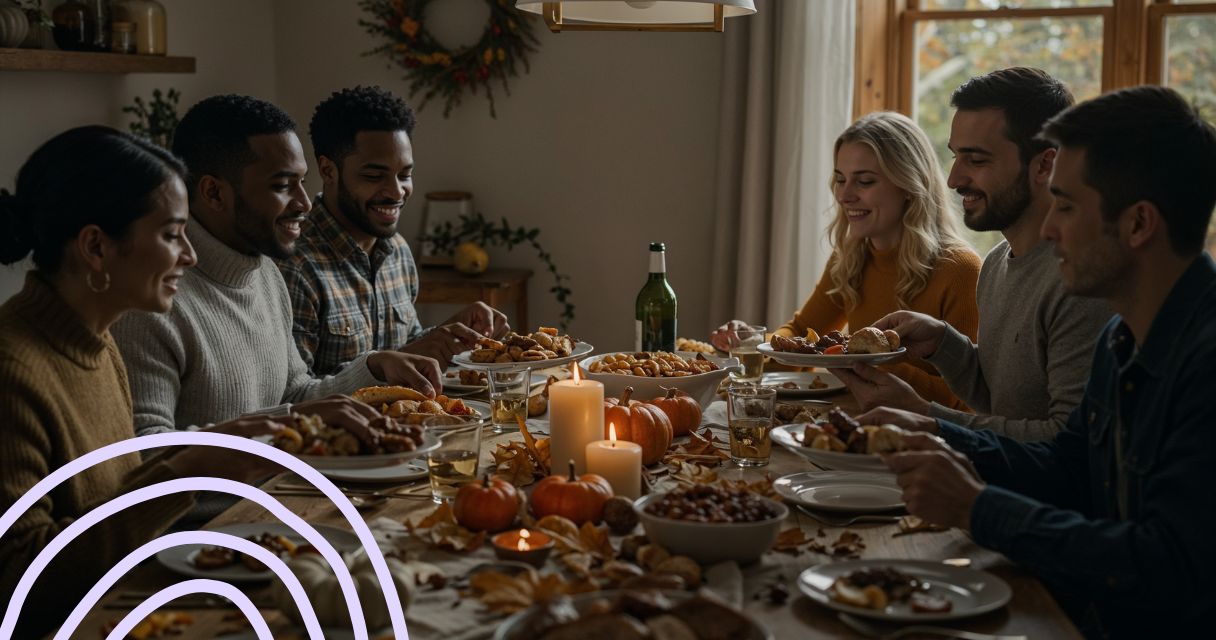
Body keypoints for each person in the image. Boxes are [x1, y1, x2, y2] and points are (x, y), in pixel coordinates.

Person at [880, 85, 1216, 638]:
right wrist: (931, 431)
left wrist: (978, 507)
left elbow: (1167, 566)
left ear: (1138, 225)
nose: (1051, 229)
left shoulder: (1204, 364)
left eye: (1066, 206)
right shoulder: (1121, 340)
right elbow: (1068, 466)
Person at [0, 126, 288, 636]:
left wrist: (207, 449)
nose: (191, 256)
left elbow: (110, 501)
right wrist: (185, 470)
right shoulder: (13, 369)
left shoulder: (99, 340)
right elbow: (20, 582)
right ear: (96, 246)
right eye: (172, 235)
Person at [842, 67, 1112, 442]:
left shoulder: (1083, 281)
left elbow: (1068, 442)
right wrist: (944, 344)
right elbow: (1000, 402)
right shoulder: (997, 264)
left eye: (977, 159)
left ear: (1045, 164)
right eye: (955, 156)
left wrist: (927, 418)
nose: (953, 179)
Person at [712, 111, 980, 410]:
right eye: (840, 179)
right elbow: (802, 333)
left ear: (908, 187)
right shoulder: (852, 257)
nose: (845, 195)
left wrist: (868, 364)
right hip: (856, 424)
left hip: (924, 446)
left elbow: (968, 404)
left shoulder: (960, 271)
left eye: (864, 181)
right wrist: (752, 342)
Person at [276, 85, 508, 375]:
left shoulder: (396, 249)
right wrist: (400, 359)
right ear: (327, 171)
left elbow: (407, 344)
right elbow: (295, 396)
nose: (396, 191)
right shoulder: (296, 266)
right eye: (374, 176)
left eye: (405, 175)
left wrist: (451, 332)